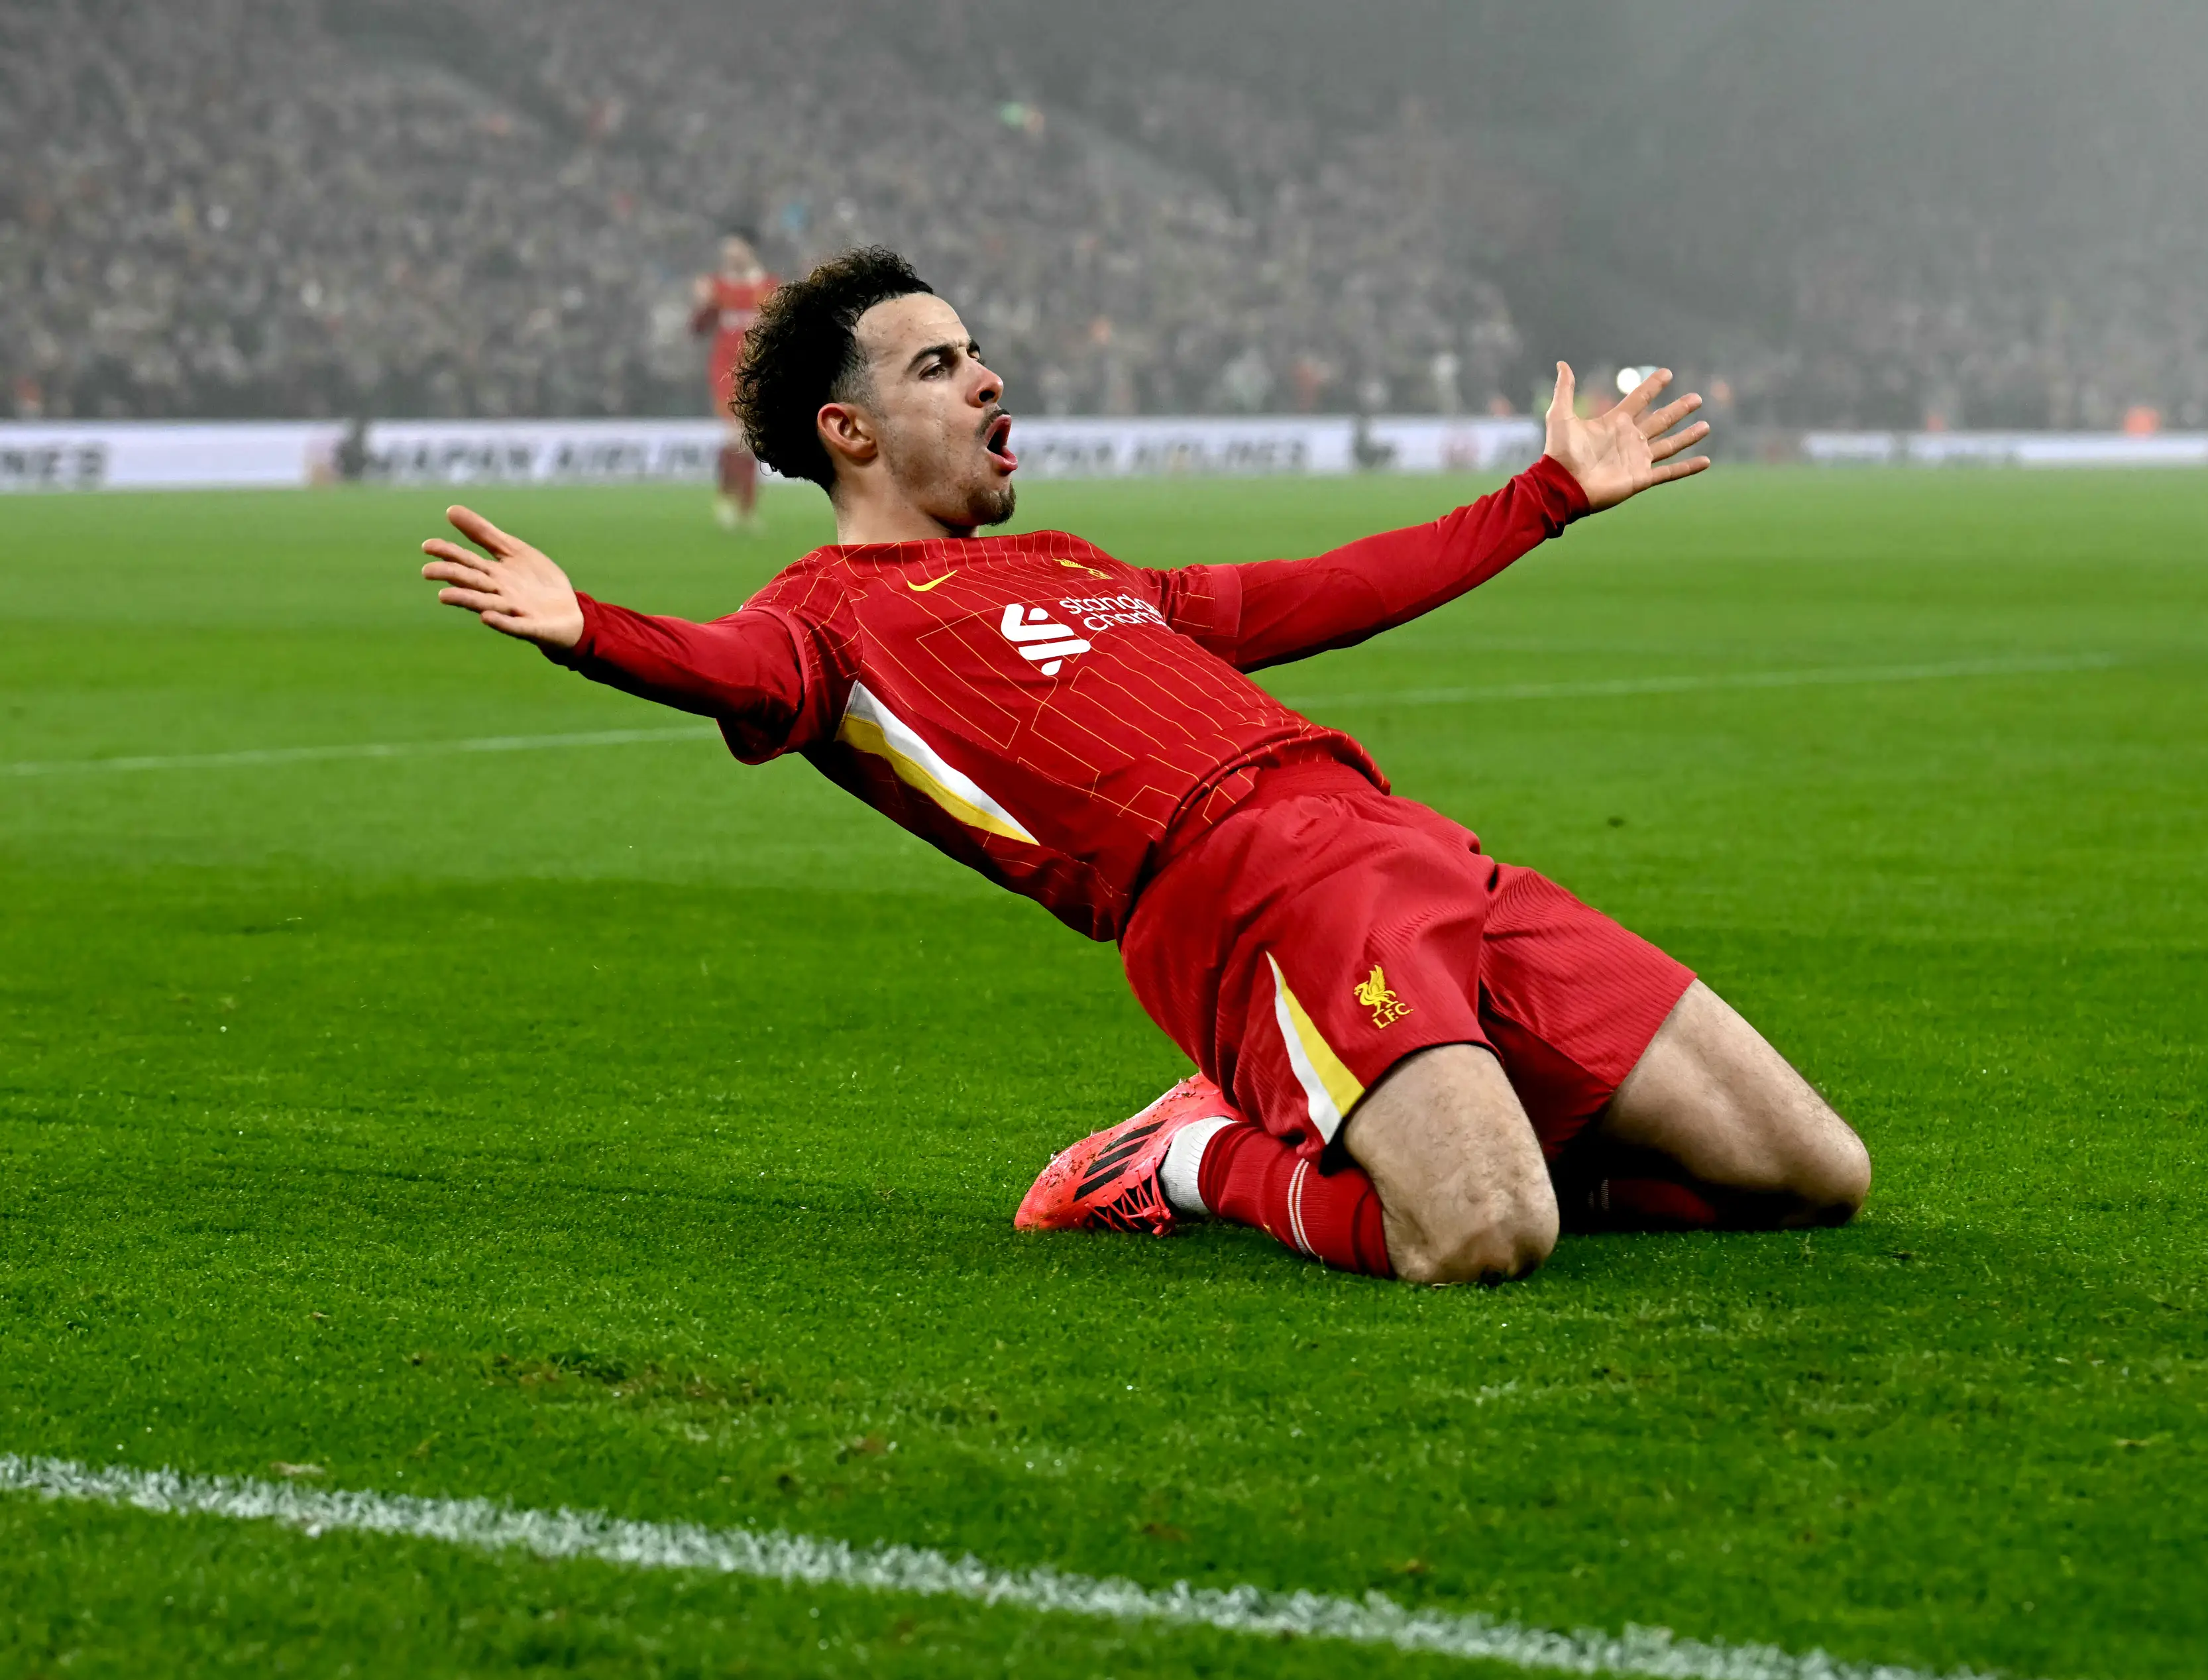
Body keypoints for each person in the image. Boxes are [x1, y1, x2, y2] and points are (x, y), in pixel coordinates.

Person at [420, 246, 1869, 1286]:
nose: (990, 379)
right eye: (941, 365)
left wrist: (1549, 495)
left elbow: (1328, 586)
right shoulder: (823, 619)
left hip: (1401, 841)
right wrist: (588, 631)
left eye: (978, 351)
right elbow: (742, 673)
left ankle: (1419, 1120)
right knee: (1484, 1238)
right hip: (1248, 899)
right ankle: (1185, 1158)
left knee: (1812, 1174)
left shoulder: (1073, 563)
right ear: (847, 430)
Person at [690, 230, 780, 531]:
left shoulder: (770, 287)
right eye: (726, 250)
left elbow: (782, 330)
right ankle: (735, 505)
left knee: (748, 440)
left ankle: (739, 506)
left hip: (757, 370)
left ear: (749, 250)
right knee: (735, 436)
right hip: (725, 370)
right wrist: (703, 305)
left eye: (735, 249)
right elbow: (697, 330)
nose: (730, 255)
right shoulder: (716, 288)